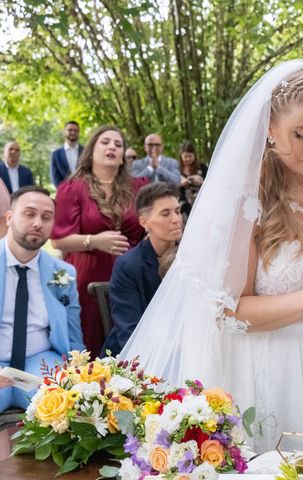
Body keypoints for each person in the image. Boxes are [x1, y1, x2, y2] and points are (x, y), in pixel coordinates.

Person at [120, 60, 303, 460]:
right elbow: (229, 313)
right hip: (264, 365)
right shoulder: (246, 198)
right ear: (269, 128)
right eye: (301, 134)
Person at [50, 126, 148, 357]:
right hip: (87, 277)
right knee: (90, 346)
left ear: (124, 155)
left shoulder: (140, 187)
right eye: (105, 142)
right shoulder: (72, 189)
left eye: (118, 144)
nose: (112, 147)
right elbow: (58, 240)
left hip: (133, 277)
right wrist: (93, 240)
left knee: (132, 345)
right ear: (92, 149)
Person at [0, 186, 83, 411]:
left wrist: (82, 372)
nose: (38, 222)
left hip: (40, 361)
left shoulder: (62, 273)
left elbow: (73, 332)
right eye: (29, 214)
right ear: (9, 217)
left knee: (72, 403)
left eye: (46, 217)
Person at [102, 183, 182, 356]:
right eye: (165, 213)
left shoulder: (192, 255)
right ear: (145, 222)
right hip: (139, 355)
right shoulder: (128, 265)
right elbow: (129, 330)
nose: (176, 219)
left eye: (177, 211)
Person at [177, 141, 208, 219]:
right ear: (181, 156)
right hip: (183, 205)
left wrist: (201, 182)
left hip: (202, 202)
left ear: (194, 155)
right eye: (185, 156)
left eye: (190, 156)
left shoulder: (202, 167)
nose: (187, 159)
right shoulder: (176, 169)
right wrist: (180, 184)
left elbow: (212, 184)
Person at [50, 121, 83, 187]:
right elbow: (55, 177)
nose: (73, 132)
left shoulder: (86, 151)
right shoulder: (56, 154)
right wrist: (63, 190)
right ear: (64, 131)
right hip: (64, 192)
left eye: (76, 131)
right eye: (70, 130)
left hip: (84, 191)